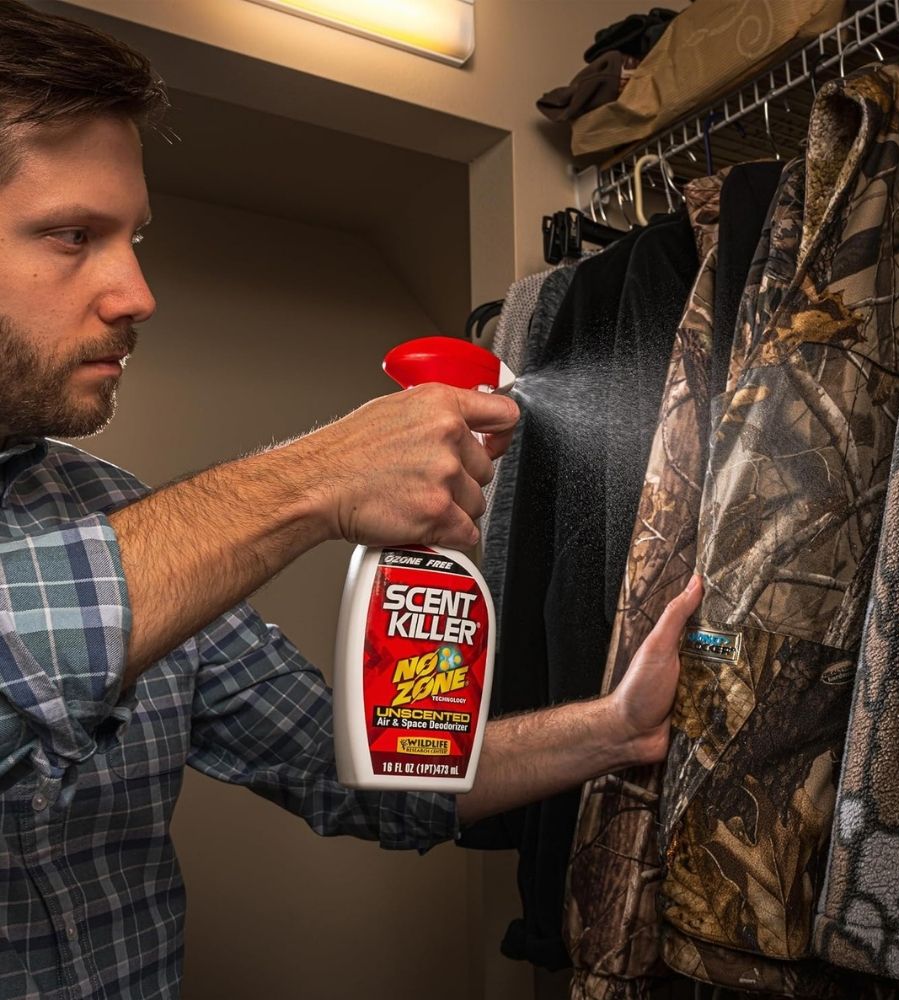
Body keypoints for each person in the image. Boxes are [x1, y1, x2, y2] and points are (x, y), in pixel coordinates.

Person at [0, 2, 704, 997]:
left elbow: (362, 772)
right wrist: (318, 477)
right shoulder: (146, 546)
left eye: (134, 236)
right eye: (73, 234)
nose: (136, 291)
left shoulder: (103, 512)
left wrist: (615, 726)